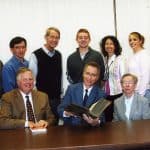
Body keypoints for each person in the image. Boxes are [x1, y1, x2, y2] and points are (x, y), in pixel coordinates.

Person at [29, 27, 62, 125]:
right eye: (52, 37)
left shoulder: (58, 55)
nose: (54, 40)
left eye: (57, 38)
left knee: (54, 126)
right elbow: (32, 79)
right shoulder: (35, 55)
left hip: (56, 99)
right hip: (41, 100)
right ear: (46, 37)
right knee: (41, 127)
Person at [58, 62, 106, 126]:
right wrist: (66, 113)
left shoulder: (101, 94)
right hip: (71, 128)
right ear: (83, 73)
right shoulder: (71, 89)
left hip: (90, 131)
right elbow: (60, 109)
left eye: (93, 75)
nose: (89, 78)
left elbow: (102, 117)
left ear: (97, 77)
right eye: (87, 73)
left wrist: (96, 122)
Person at [100, 35, 127, 122]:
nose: (109, 46)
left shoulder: (120, 59)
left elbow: (124, 77)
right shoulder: (105, 59)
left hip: (118, 94)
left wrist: (124, 94)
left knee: (118, 118)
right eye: (106, 44)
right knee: (108, 118)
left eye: (111, 44)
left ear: (115, 46)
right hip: (107, 94)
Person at [128, 32, 150, 100]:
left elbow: (146, 76)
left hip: (143, 93)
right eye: (130, 40)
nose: (132, 42)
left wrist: (140, 95)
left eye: (134, 39)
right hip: (134, 92)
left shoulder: (143, 55)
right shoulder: (133, 56)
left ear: (140, 41)